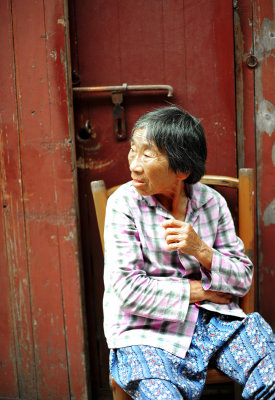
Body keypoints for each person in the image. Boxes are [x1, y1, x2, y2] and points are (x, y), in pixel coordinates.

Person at [103, 106, 275, 399]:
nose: (133, 165)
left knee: (270, 371)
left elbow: (243, 277)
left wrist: (201, 250)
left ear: (182, 170)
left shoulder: (212, 202)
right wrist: (202, 291)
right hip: (147, 333)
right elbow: (127, 290)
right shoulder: (123, 204)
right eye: (133, 151)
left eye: (147, 155)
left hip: (216, 321)